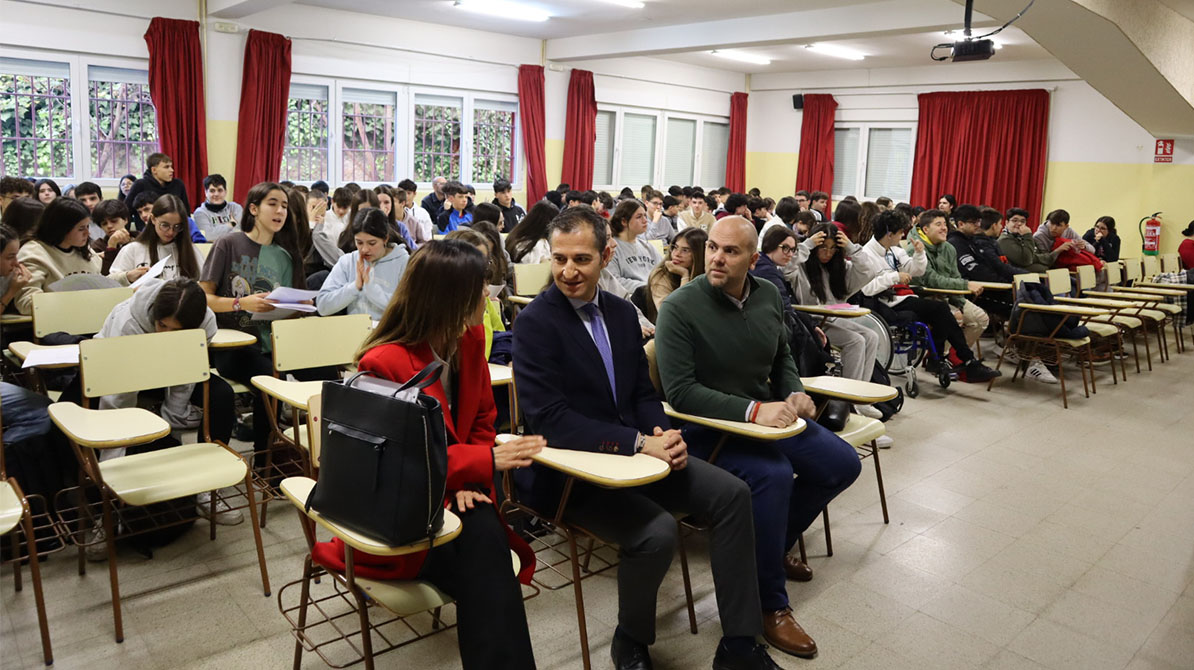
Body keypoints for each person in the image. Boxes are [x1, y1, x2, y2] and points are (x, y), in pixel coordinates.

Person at [512, 207, 784, 670]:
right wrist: (638, 443)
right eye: (559, 259)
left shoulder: (620, 313)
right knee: (656, 532)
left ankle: (739, 643)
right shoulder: (537, 322)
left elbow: (641, 392)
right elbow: (551, 420)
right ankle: (630, 639)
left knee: (733, 494)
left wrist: (662, 430)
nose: (568, 271)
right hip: (574, 473)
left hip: (640, 452)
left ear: (606, 255)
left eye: (581, 258)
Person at [318, 239, 540, 670]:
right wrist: (474, 470)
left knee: (484, 553)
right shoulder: (384, 363)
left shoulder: (471, 337)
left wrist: (464, 482)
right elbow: (400, 463)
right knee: (487, 558)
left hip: (452, 494)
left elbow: (481, 419)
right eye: (480, 288)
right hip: (402, 508)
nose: (488, 296)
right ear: (450, 297)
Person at [654, 215, 862, 660]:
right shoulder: (679, 307)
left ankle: (771, 545)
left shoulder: (767, 293)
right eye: (712, 247)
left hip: (766, 417)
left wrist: (794, 390)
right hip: (710, 430)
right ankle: (771, 604)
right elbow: (680, 393)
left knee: (843, 464)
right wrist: (753, 410)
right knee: (772, 475)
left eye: (730, 251)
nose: (716, 258)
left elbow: (781, 352)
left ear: (752, 258)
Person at [94, 277, 242, 524]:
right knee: (96, 415)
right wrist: (113, 465)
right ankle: (106, 509)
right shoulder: (128, 322)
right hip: (118, 371)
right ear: (155, 316)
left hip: (170, 370)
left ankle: (206, 488)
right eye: (162, 326)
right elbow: (117, 400)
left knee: (221, 395)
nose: (167, 335)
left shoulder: (206, 323)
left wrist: (170, 422)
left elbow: (187, 373)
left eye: (177, 331)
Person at [200, 182, 310, 463]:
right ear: (253, 208)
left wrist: (299, 306)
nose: (280, 211)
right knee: (272, 376)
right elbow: (203, 297)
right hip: (232, 344)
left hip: (272, 342)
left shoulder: (285, 255)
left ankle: (298, 449)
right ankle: (266, 458)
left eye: (285, 206)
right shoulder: (229, 244)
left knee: (323, 369)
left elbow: (285, 306)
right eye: (273, 203)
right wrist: (240, 303)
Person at [858, 211, 1006, 383]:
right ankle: (960, 360)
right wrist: (895, 277)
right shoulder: (866, 254)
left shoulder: (894, 251)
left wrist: (920, 255)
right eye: (900, 233)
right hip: (882, 301)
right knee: (940, 309)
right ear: (890, 234)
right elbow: (867, 289)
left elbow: (916, 270)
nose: (903, 236)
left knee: (941, 312)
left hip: (903, 297)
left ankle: (953, 360)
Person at [788, 223, 883, 385]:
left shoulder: (839, 269)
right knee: (855, 341)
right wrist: (807, 244)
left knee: (872, 337)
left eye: (833, 249)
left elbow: (870, 271)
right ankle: (846, 398)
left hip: (833, 319)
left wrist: (851, 248)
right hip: (811, 322)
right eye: (823, 247)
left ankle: (861, 394)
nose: (828, 253)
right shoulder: (802, 267)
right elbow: (786, 268)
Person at [14, 198, 140, 314]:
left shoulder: (82, 249)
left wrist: (126, 277)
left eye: (87, 226)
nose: (87, 233)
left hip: (90, 316)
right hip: (56, 323)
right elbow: (26, 303)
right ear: (61, 229)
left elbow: (99, 284)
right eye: (81, 229)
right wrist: (74, 301)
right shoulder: (34, 253)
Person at [907, 209, 991, 356]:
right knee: (956, 316)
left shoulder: (949, 248)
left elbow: (955, 276)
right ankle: (938, 357)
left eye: (945, 224)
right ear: (926, 229)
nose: (944, 228)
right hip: (924, 296)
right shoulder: (915, 249)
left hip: (948, 295)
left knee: (980, 318)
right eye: (938, 224)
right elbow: (932, 280)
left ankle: (956, 355)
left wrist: (960, 302)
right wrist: (965, 285)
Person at [316, 208, 410, 320]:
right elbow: (323, 307)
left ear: (385, 239)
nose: (364, 249)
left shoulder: (404, 262)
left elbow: (407, 309)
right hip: (353, 332)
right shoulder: (348, 261)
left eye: (372, 243)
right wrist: (354, 287)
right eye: (359, 242)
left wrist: (372, 289)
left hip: (389, 334)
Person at [109, 195, 205, 282]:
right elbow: (110, 281)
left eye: (177, 226)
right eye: (164, 225)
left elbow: (204, 281)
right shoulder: (133, 249)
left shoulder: (189, 249)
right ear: (153, 219)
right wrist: (128, 276)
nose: (171, 232)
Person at [647, 227, 706, 316]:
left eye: (685, 250)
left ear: (699, 254)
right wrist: (685, 276)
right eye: (675, 247)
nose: (676, 254)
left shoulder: (709, 276)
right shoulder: (660, 275)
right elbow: (672, 315)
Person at [607, 199, 661, 295]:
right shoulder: (612, 247)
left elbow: (662, 272)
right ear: (624, 221)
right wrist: (648, 287)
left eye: (645, 215)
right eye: (639, 217)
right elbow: (614, 281)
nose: (645, 220)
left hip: (655, 294)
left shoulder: (648, 247)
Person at [124, 153, 191, 230]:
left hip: (174, 231)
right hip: (147, 232)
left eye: (171, 166)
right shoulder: (140, 184)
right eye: (166, 167)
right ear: (154, 170)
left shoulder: (178, 184)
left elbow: (185, 212)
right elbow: (126, 212)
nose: (172, 170)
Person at [999, 208, 1064, 273]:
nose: (1019, 223)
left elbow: (1034, 255)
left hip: (1037, 275)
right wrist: (1028, 235)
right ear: (1007, 223)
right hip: (1018, 278)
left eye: (1022, 221)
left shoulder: (1022, 237)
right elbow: (1026, 260)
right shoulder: (1004, 240)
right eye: (1015, 220)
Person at [192, 174, 243, 242]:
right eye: (212, 191)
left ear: (225, 192)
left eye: (220, 190)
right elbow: (208, 236)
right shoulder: (200, 213)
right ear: (205, 192)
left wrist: (216, 232)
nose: (216, 194)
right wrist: (231, 224)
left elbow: (241, 233)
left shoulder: (235, 208)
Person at [89, 199, 134, 275]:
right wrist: (111, 247)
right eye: (104, 223)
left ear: (125, 220)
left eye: (114, 221)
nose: (109, 226)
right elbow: (105, 275)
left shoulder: (141, 239)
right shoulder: (97, 247)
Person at [0, 224, 32, 314]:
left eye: (16, 255)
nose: (16, 263)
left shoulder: (11, 276)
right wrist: (12, 291)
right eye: (10, 257)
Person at [374, 185, 417, 250]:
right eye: (378, 202)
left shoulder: (400, 226)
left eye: (386, 202)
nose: (382, 206)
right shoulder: (364, 226)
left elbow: (412, 249)